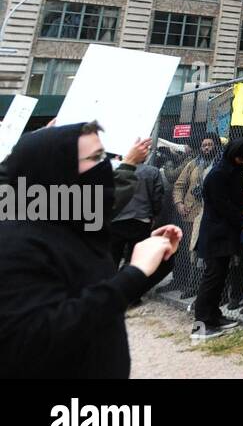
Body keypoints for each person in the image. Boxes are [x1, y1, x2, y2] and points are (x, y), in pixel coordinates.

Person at [0, 122, 181, 378]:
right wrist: (134, 272)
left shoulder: (77, 227)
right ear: (57, 171)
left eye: (104, 155)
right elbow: (38, 339)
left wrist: (152, 261)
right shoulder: (16, 241)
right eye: (94, 158)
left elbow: (100, 299)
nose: (105, 165)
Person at [192, 139, 243, 340]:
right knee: (212, 277)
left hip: (226, 232)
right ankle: (201, 325)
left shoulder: (233, 170)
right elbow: (222, 205)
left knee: (219, 277)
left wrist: (242, 200)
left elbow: (234, 197)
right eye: (241, 157)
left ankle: (214, 316)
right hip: (215, 233)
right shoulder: (218, 174)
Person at [171, 134, 220, 298]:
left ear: (216, 146)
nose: (206, 148)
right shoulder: (193, 164)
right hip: (191, 213)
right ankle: (188, 284)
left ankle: (199, 286)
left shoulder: (219, 165)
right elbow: (179, 185)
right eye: (204, 145)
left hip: (211, 214)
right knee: (189, 250)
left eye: (210, 145)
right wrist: (179, 203)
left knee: (204, 252)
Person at [109, 143, 166, 272]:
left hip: (116, 220)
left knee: (113, 256)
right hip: (141, 219)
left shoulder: (116, 170)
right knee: (136, 258)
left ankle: (110, 285)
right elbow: (157, 197)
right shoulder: (152, 172)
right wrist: (155, 215)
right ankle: (129, 285)